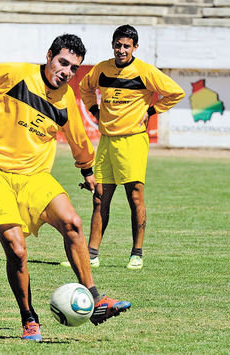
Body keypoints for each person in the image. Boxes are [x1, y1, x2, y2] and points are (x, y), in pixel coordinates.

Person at [0, 34, 131, 342]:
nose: (66, 71)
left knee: (73, 223)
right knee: (17, 249)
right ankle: (29, 318)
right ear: (49, 55)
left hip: (35, 176)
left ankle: (96, 300)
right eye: (62, 62)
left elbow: (78, 138)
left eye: (73, 68)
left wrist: (88, 171)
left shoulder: (66, 99)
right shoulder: (16, 75)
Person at [69, 24, 185, 270]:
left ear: (135, 47)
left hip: (133, 140)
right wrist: (94, 110)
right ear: (113, 45)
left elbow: (175, 92)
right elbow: (84, 88)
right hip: (106, 142)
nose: (121, 50)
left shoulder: (145, 71)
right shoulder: (101, 69)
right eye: (118, 45)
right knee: (100, 199)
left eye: (126, 46)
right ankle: (91, 254)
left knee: (134, 196)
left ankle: (137, 253)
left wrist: (152, 110)